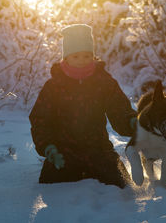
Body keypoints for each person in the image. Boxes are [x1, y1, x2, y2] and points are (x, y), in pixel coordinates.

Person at [29, 24, 137, 188]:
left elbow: (119, 108)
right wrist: (48, 147)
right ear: (66, 58)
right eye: (76, 56)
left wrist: (130, 121)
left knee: (121, 182)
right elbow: (40, 119)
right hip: (64, 150)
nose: (82, 61)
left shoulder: (104, 82)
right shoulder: (54, 85)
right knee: (50, 183)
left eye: (87, 56)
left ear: (93, 56)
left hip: (98, 149)